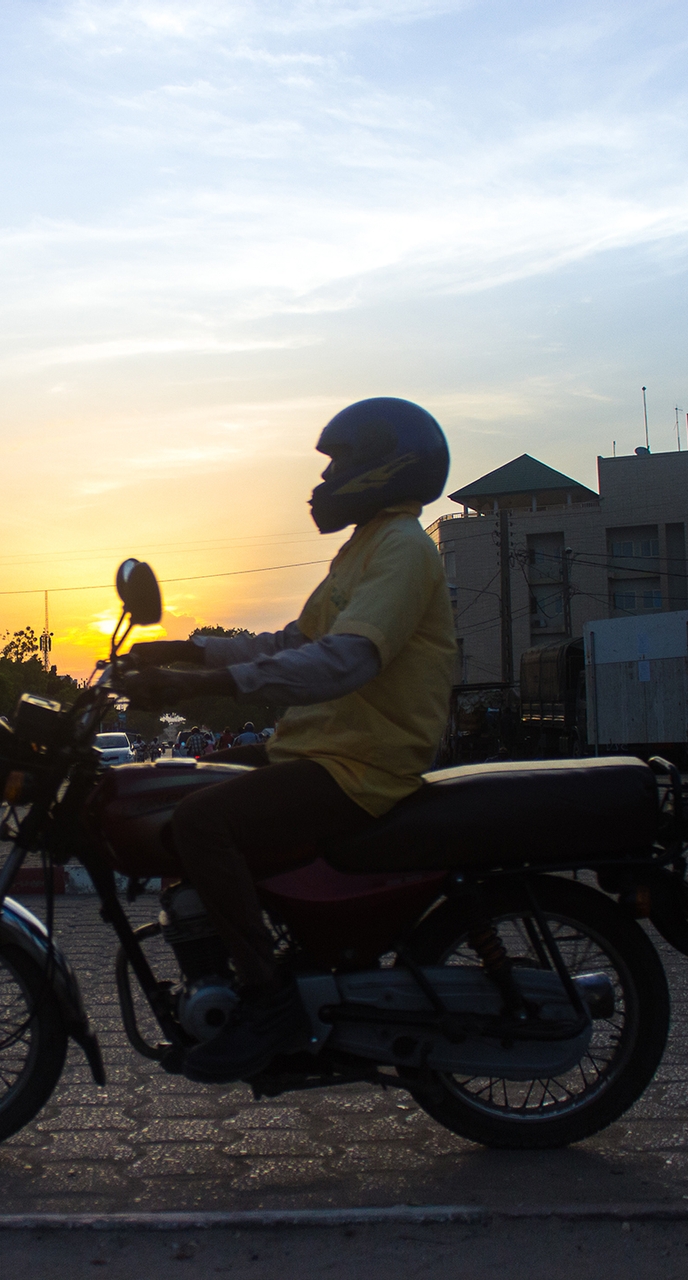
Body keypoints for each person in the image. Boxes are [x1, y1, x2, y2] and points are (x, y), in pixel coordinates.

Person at [123, 397, 456, 1084]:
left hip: (361, 761)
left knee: (202, 821)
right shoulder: (363, 549)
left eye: (339, 462)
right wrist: (187, 650)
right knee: (191, 775)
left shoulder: (403, 549)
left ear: (382, 465)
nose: (326, 480)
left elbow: (346, 660)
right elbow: (294, 642)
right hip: (320, 749)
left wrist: (196, 687)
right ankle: (243, 949)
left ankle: (270, 1000)